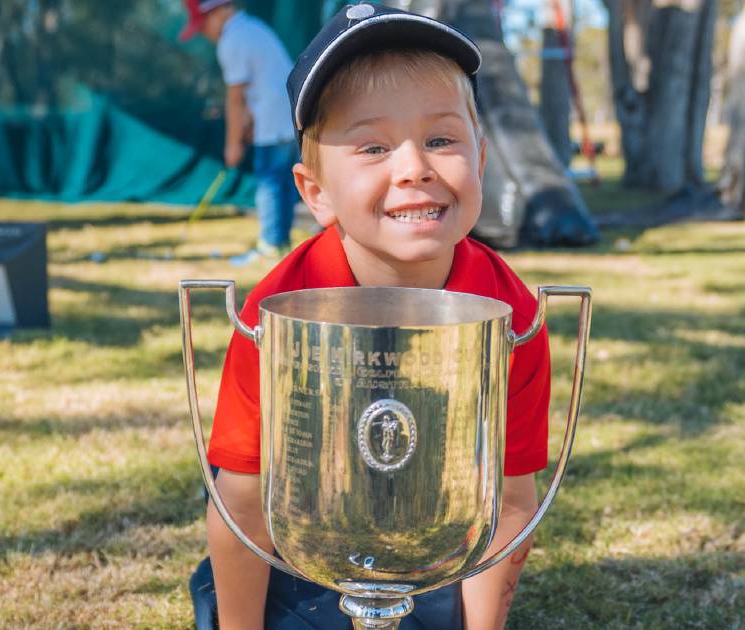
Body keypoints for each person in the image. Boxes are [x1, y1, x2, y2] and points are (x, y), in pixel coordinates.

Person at [189, 4, 552, 629]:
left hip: (432, 545)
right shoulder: (280, 305)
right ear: (315, 191)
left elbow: (512, 501)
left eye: (441, 139)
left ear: (482, 161)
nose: (414, 168)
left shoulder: (510, 309)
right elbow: (243, 505)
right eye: (374, 146)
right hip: (295, 548)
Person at [181, 0, 299, 266]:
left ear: (218, 13)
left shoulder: (232, 41)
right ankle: (280, 243)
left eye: (202, 26)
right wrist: (249, 123)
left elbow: (235, 99)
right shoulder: (254, 28)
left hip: (273, 121)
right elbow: (261, 83)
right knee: (282, 182)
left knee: (269, 181)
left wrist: (232, 145)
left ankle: (270, 244)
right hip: (287, 118)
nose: (204, 33)